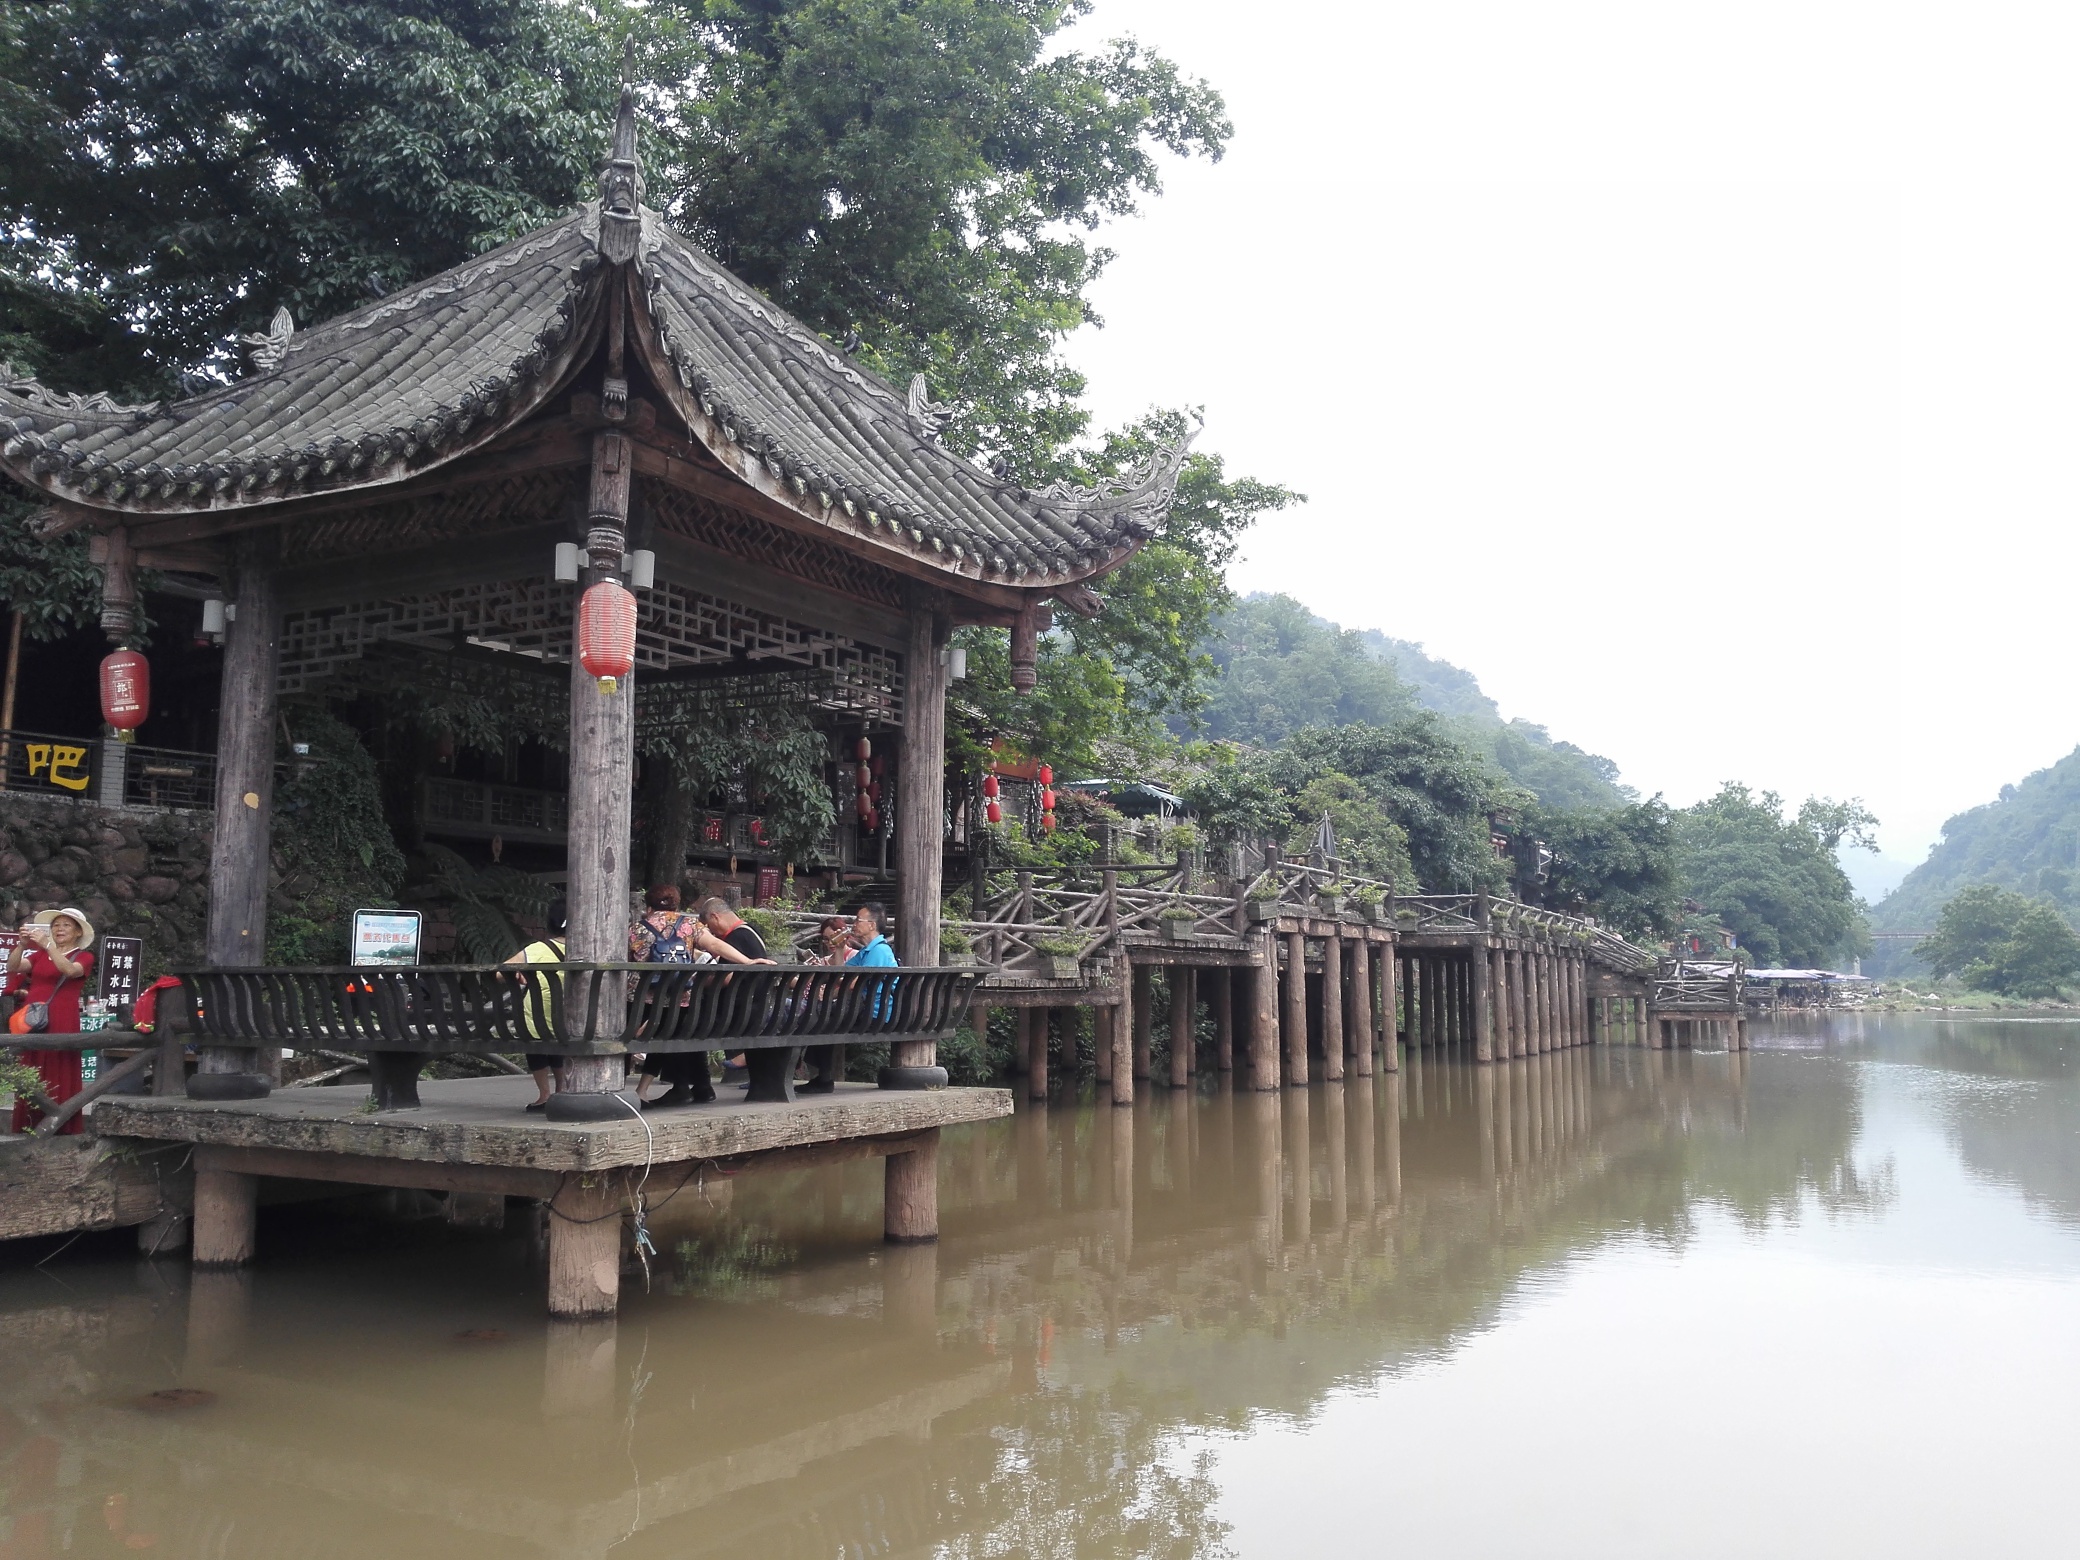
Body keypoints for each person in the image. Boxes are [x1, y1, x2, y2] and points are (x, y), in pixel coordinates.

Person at [647, 896, 778, 1108]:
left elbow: (727, 979)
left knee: (676, 1023)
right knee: (685, 1022)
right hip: (754, 1009)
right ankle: (700, 1086)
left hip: (734, 1013)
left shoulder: (736, 939)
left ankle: (682, 1086)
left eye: (709, 926)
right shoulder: (752, 932)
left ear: (715, 917)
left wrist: (699, 977)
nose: (711, 932)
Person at [5, 908, 96, 1135]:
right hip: (34, 1018)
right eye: (56, 925)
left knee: (59, 1064)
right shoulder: (37, 955)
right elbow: (12, 967)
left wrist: (48, 946)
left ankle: (60, 1123)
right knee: (31, 1064)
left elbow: (68, 970)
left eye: (66, 925)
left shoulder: (83, 956)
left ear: (77, 933)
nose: (60, 929)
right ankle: (28, 1122)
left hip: (62, 1017)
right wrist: (22, 945)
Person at [501, 899, 568, 1113]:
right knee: (558, 1037)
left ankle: (544, 1095)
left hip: (538, 1020)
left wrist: (520, 973)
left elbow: (500, 973)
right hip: (573, 1022)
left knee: (536, 1037)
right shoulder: (590, 949)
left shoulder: (538, 949)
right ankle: (562, 1089)